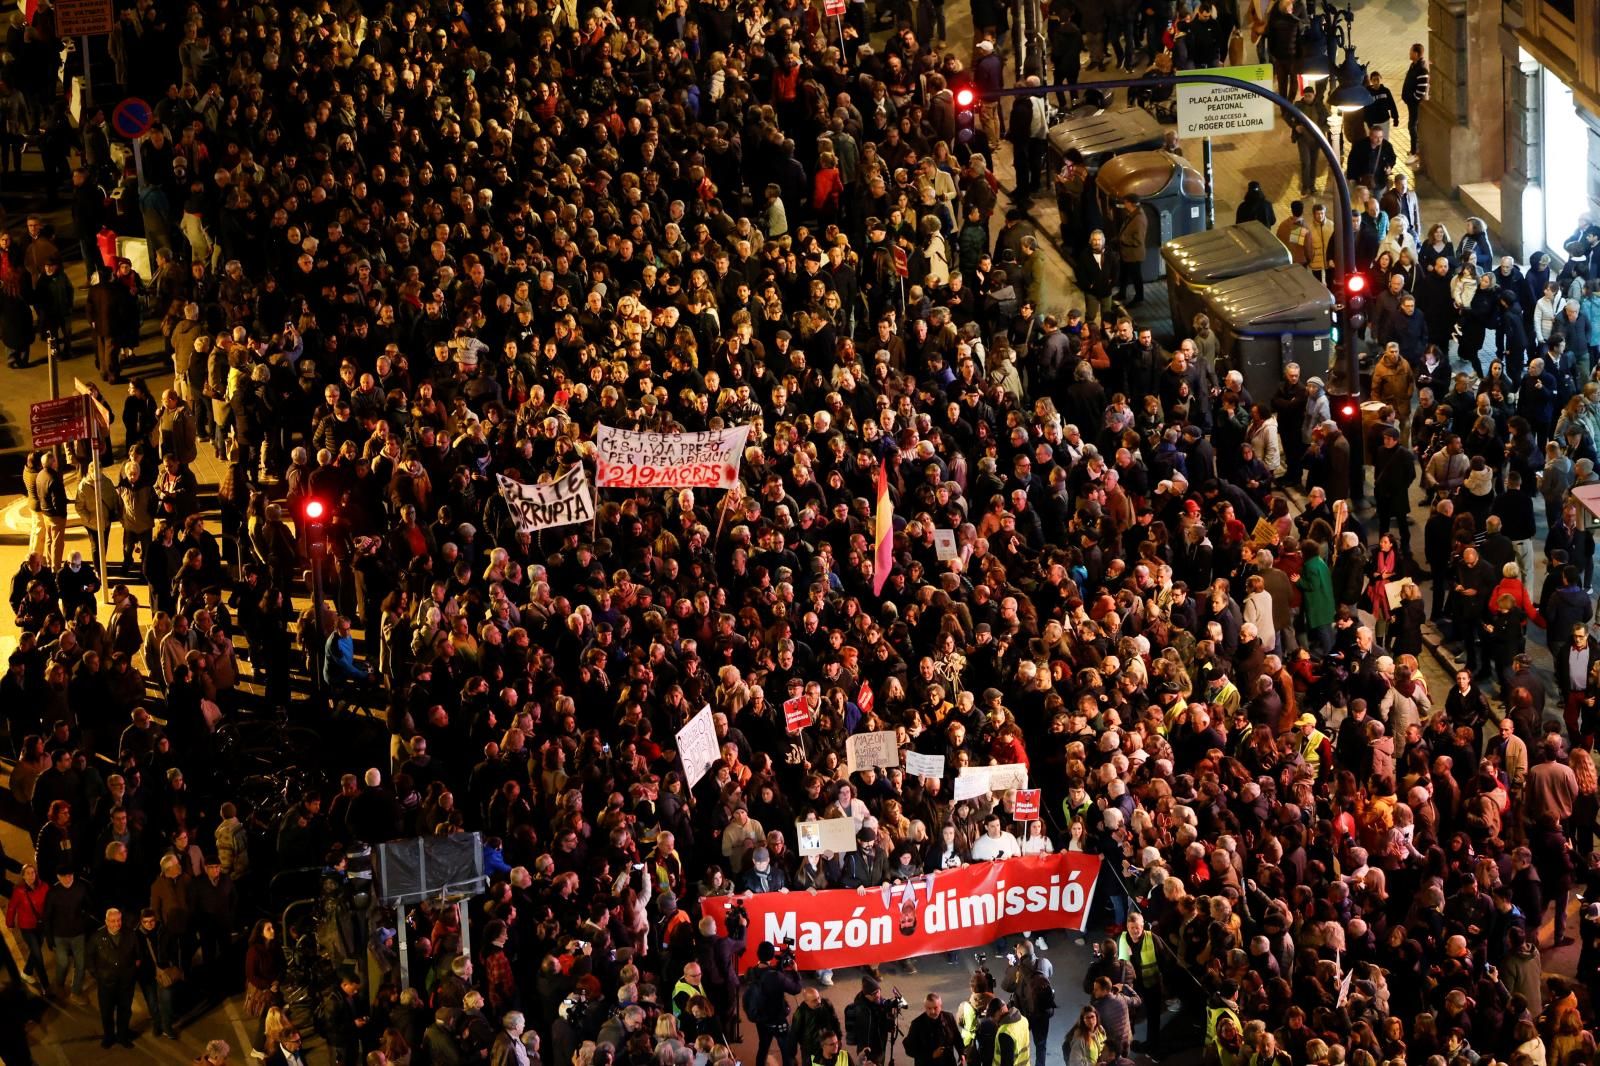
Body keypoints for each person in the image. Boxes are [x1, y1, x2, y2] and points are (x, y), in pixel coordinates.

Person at [87, 907, 138, 1048]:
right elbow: (89, 958)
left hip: (126, 983)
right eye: (113, 921)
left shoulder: (130, 935)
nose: (116, 924)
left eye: (118, 920)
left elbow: (138, 955)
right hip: (106, 984)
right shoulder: (97, 937)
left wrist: (132, 971)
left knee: (125, 1010)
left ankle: (122, 1036)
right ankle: (109, 1036)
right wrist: (97, 975)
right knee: (106, 1012)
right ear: (106, 921)